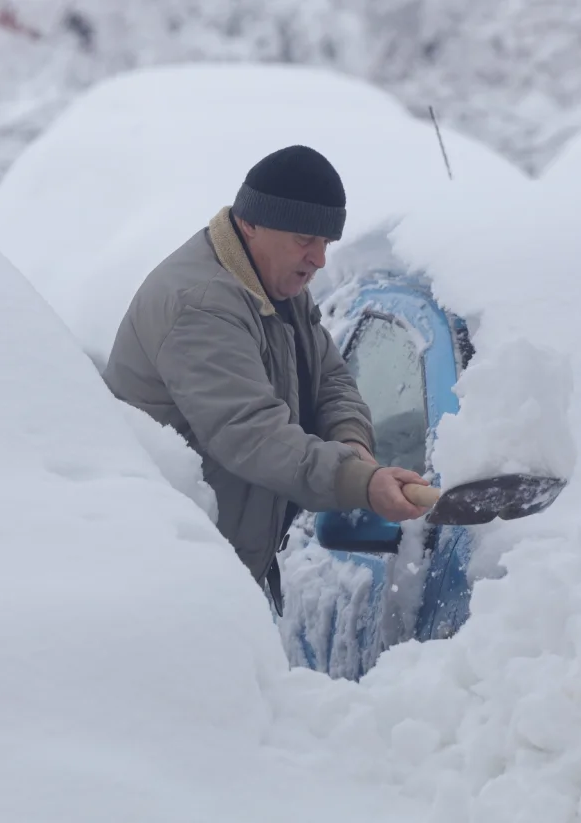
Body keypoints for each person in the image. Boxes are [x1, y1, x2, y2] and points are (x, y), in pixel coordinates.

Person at [102, 145, 429, 613]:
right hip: (167, 582)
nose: (319, 259)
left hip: (222, 571)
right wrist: (360, 482)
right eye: (304, 238)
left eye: (326, 242)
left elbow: (331, 380)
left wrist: (352, 444)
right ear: (250, 223)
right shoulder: (201, 304)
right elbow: (251, 433)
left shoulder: (274, 283)